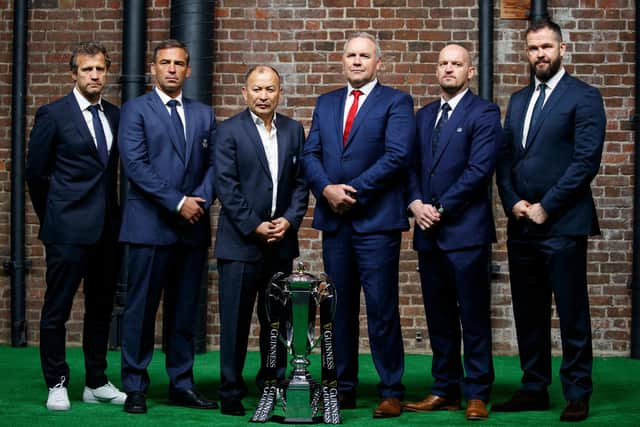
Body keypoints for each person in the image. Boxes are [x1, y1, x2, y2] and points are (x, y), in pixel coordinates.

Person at [494, 18, 606, 422]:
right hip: (522, 223)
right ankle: (534, 387)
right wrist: (513, 202)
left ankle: (577, 391)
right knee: (529, 310)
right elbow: (505, 158)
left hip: (563, 224)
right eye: (533, 48)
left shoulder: (585, 97)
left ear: (562, 49)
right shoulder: (519, 99)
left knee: (572, 311)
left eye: (546, 47)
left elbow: (584, 163)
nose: (539, 54)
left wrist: (547, 206)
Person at [302, 32, 415, 418]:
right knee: (339, 310)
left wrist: (350, 190)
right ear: (343, 60)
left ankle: (390, 389)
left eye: (364, 56)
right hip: (336, 224)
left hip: (376, 223)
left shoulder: (396, 101)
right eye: (350, 55)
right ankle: (341, 387)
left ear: (377, 63)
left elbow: (397, 156)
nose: (356, 61)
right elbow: (310, 153)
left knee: (382, 308)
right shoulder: (326, 102)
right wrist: (325, 189)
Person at [118, 39, 217, 414]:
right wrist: (178, 203)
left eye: (179, 63)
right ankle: (135, 386)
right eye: (165, 62)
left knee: (184, 311)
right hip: (149, 226)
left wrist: (199, 201)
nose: (172, 69)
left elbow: (214, 166)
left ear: (188, 70)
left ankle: (181, 383)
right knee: (141, 310)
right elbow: (136, 166)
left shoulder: (205, 114)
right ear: (154, 68)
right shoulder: (135, 110)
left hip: (191, 229)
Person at [402, 44, 501, 421]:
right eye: (443, 63)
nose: (448, 69)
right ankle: (445, 388)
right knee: (438, 315)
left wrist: (438, 209)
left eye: (456, 64)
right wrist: (414, 204)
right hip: (428, 233)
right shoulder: (424, 115)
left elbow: (479, 172)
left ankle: (476, 391)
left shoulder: (485, 113)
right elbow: (408, 167)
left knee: (472, 315)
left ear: (469, 72)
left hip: (465, 233)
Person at [26, 42, 126, 411]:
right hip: (67, 230)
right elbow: (35, 174)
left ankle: (96, 381)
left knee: (101, 308)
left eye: (100, 69)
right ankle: (57, 381)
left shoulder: (114, 115)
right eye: (87, 70)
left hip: (107, 231)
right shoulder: (53, 114)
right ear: (74, 74)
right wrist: (55, 216)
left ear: (107, 72)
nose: (95, 76)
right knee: (58, 308)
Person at [213, 65, 309, 416]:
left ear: (279, 92)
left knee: (277, 322)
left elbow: (301, 183)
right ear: (245, 92)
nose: (264, 96)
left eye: (270, 89)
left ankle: (274, 383)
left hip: (281, 242)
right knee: (235, 322)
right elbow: (226, 185)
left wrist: (290, 219)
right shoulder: (228, 131)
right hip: (240, 244)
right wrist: (255, 225)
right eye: (257, 89)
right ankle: (230, 391)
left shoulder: (293, 130)